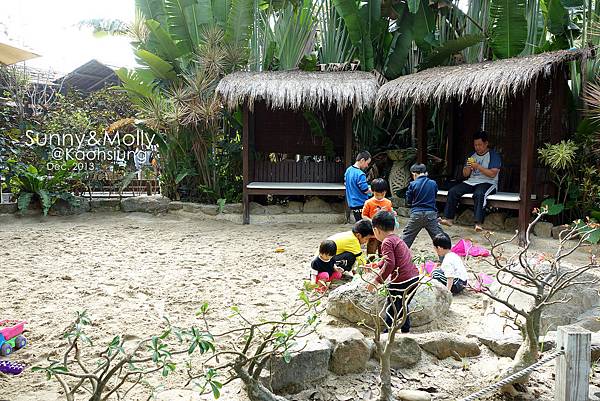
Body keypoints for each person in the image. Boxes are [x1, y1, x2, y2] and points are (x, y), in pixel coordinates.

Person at [367, 210, 419, 333]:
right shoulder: (396, 239)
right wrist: (377, 264)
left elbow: (390, 263)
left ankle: (388, 331)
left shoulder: (386, 242)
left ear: (376, 230)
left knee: (392, 306)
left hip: (401, 280)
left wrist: (376, 280)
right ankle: (405, 330)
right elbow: (391, 260)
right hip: (414, 277)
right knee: (402, 305)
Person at [440, 130, 501, 231]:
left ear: (486, 143)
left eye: (480, 145)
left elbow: (492, 174)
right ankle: (449, 218)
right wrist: (469, 168)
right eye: (475, 145)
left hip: (488, 182)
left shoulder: (493, 155)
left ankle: (478, 223)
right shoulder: (472, 155)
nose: (477, 147)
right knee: (453, 191)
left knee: (479, 194)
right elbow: (465, 174)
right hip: (471, 181)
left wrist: (478, 166)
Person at [401, 164, 445, 248]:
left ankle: (399, 259)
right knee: (440, 239)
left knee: (406, 238)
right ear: (426, 173)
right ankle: (445, 259)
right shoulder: (433, 183)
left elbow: (408, 201)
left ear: (414, 174)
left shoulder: (413, 184)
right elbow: (434, 196)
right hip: (431, 215)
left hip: (416, 214)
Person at [362, 178, 394, 255]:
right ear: (372, 191)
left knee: (383, 250)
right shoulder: (369, 203)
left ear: (385, 192)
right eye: (377, 194)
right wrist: (371, 221)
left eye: (382, 194)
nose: (379, 196)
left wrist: (392, 213)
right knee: (371, 251)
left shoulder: (388, 202)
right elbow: (364, 215)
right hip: (373, 232)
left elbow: (390, 214)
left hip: (384, 231)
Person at [345, 151, 372, 222]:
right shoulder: (360, 174)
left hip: (352, 203)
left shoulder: (348, 170)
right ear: (362, 160)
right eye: (367, 163)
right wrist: (373, 190)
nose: (367, 166)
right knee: (364, 225)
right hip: (361, 203)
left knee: (359, 223)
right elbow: (365, 190)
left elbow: (346, 183)